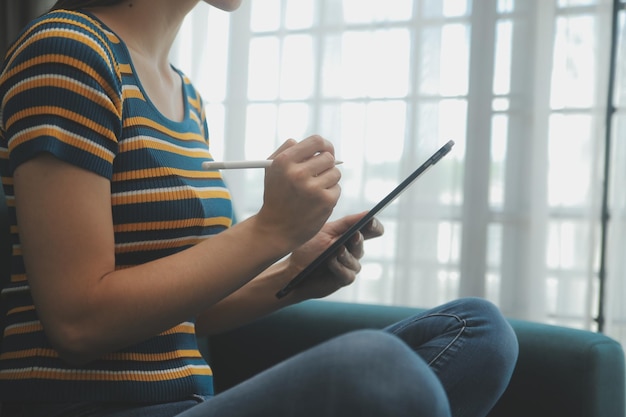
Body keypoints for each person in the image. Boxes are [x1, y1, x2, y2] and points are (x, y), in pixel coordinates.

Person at [0, 0, 519, 416]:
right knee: (374, 368)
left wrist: (291, 273)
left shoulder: (186, 96)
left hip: (189, 401)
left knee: (479, 331)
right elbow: (79, 324)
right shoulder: (67, 51)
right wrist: (271, 229)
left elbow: (186, 312)